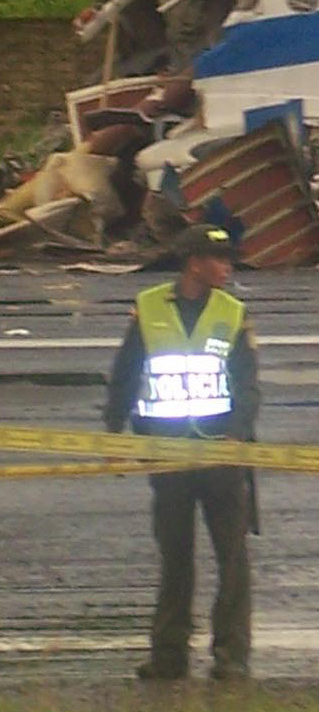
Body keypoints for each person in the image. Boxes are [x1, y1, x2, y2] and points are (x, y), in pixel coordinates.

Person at [102, 213, 260, 683]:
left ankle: (231, 658)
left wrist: (237, 432)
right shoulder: (148, 307)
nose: (227, 268)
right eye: (218, 259)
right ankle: (168, 656)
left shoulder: (231, 312)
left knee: (232, 561)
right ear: (193, 263)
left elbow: (247, 385)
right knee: (176, 558)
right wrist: (111, 431)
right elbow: (127, 373)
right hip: (167, 453)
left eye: (228, 259)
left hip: (220, 456)